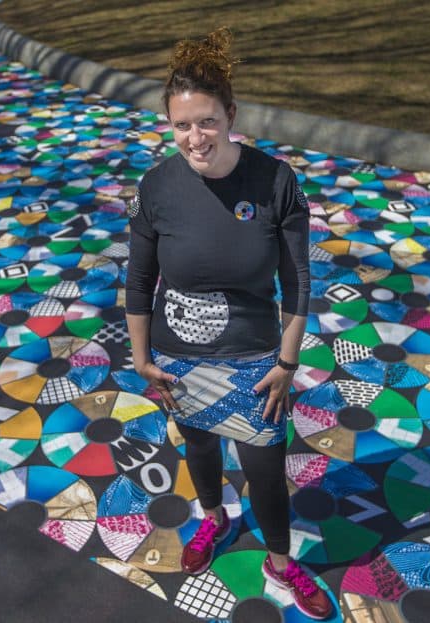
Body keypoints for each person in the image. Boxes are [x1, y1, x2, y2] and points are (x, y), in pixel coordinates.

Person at [125, 27, 333, 621]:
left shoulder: (275, 182)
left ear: (231, 115)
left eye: (207, 121)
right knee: (199, 446)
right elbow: (139, 282)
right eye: (182, 125)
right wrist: (142, 359)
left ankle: (279, 559)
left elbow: (297, 282)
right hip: (178, 359)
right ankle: (211, 519)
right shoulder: (157, 187)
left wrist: (287, 363)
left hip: (255, 360)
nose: (196, 137)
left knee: (266, 467)